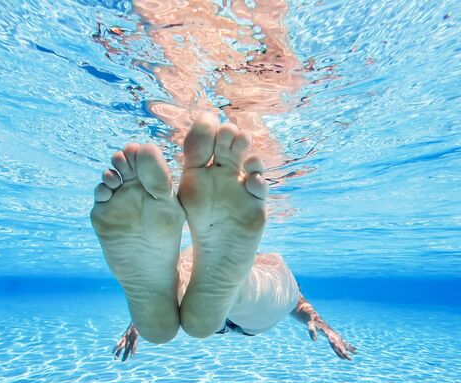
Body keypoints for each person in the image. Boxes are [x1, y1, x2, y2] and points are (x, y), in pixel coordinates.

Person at [91, 113, 356, 362]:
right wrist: (320, 323)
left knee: (182, 273)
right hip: (254, 312)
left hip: (191, 290)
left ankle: (179, 310)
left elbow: (152, 280)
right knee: (274, 282)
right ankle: (237, 291)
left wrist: (138, 323)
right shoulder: (259, 259)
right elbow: (297, 303)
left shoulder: (201, 256)